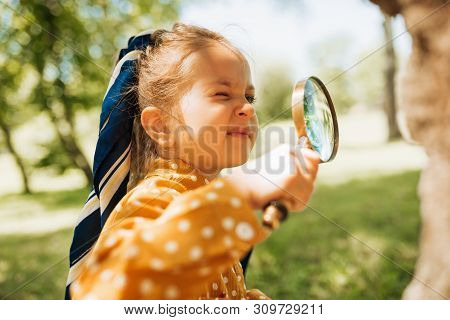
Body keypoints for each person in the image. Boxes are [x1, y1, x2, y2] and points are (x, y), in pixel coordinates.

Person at [69, 23, 320, 300]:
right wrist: (241, 193)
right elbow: (107, 293)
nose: (248, 108)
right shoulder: (156, 197)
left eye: (249, 97)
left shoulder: (203, 195)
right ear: (161, 126)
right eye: (222, 94)